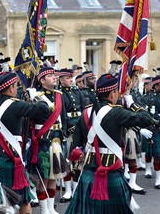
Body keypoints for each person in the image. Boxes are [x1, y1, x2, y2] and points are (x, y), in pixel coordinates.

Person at [65, 73, 153, 214]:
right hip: (111, 171)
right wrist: (132, 104)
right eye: (117, 91)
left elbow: (77, 146)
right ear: (112, 93)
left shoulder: (86, 113)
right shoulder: (116, 112)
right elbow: (147, 119)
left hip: (88, 172)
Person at [0, 72, 49, 214]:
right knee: (24, 201)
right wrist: (35, 96)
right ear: (11, 88)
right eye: (16, 85)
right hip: (12, 157)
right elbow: (43, 110)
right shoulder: (15, 105)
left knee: (2, 201)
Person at [29, 67, 67, 214]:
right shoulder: (37, 96)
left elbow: (62, 117)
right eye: (50, 76)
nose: (54, 78)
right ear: (42, 80)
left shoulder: (59, 95)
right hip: (43, 140)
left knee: (54, 176)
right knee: (43, 177)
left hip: (57, 139)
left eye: (54, 75)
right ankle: (44, 209)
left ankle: (51, 208)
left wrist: (62, 134)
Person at [58, 68, 86, 202]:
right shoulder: (60, 94)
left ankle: (75, 189)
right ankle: (68, 190)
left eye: (71, 77)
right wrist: (68, 127)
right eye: (67, 78)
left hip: (80, 129)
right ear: (61, 80)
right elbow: (61, 114)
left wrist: (81, 126)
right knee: (68, 161)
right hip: (69, 131)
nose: (70, 80)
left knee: (79, 160)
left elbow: (84, 110)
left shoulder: (77, 91)